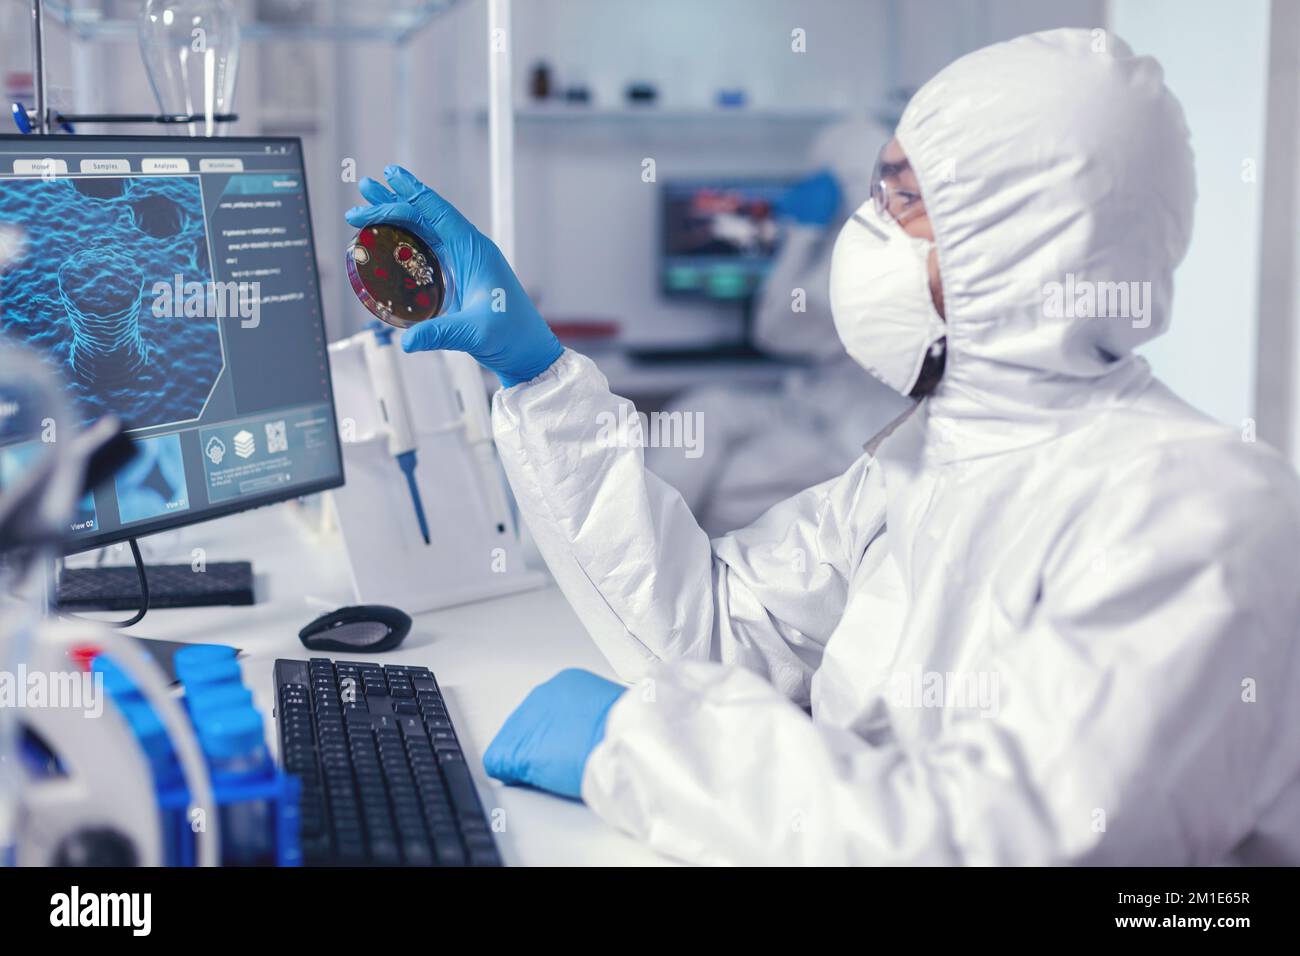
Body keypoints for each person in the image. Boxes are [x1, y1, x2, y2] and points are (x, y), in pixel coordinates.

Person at [346, 28, 1300, 865]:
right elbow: (715, 636)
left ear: (1023, 241)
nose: (862, 234)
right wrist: (537, 372)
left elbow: (990, 841)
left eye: (900, 202)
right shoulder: (929, 460)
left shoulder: (1201, 515)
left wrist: (633, 747)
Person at [644, 119, 909, 536]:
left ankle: (651, 557)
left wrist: (800, 235)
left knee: (730, 485)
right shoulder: (841, 247)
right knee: (701, 411)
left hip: (850, 433)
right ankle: (633, 546)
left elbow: (773, 330)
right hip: (811, 405)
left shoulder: (873, 261)